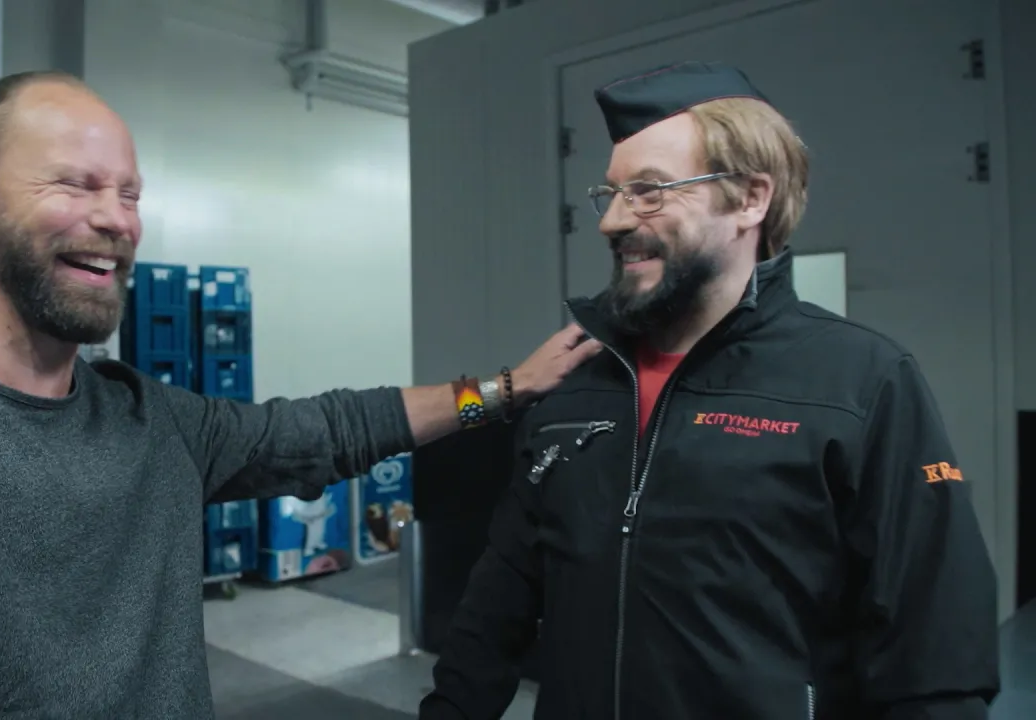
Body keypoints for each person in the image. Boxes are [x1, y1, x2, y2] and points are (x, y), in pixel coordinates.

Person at [0, 70, 603, 718]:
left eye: (129, 193)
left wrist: (503, 391)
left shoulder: (150, 420)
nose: (118, 219)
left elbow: (340, 428)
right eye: (76, 184)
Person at [419, 61, 1000, 720]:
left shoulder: (865, 381)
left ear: (750, 199)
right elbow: (501, 595)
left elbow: (934, 656)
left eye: (648, 191)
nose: (612, 221)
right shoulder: (574, 377)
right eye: (611, 193)